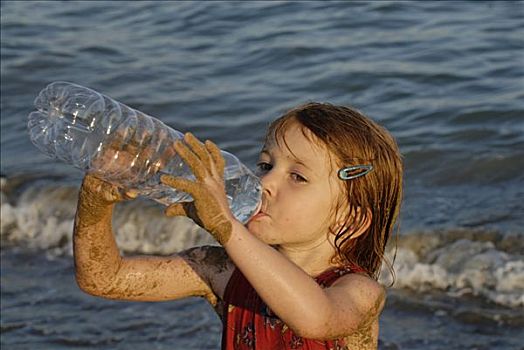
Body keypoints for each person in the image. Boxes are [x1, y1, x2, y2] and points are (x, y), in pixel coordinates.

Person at [73, 102, 403, 350]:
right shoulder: (223, 271)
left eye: (297, 177)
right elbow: (103, 279)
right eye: (265, 165)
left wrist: (227, 227)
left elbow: (315, 319)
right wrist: (94, 204)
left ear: (351, 219)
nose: (266, 182)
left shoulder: (359, 293)